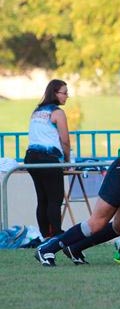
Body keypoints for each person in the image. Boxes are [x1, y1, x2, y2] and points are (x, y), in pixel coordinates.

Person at [25, 79, 71, 240]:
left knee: (42, 199)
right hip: (48, 158)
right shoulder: (57, 112)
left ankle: (45, 236)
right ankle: (57, 235)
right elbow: (65, 140)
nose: (67, 96)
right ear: (55, 93)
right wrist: (67, 161)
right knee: (55, 199)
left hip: (31, 158)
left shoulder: (36, 112)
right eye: (64, 93)